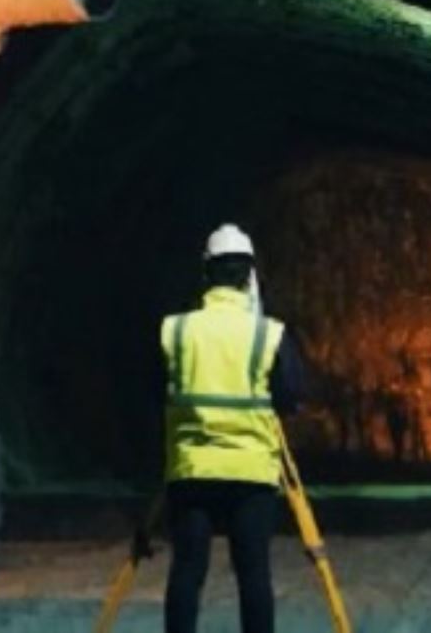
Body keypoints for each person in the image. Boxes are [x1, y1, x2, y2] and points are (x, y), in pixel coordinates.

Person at [158, 224, 306, 633]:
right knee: (254, 574)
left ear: (206, 273)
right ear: (250, 275)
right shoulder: (268, 334)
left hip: (192, 471)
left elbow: (155, 388)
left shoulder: (177, 330)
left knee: (187, 571)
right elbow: (292, 394)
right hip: (251, 474)